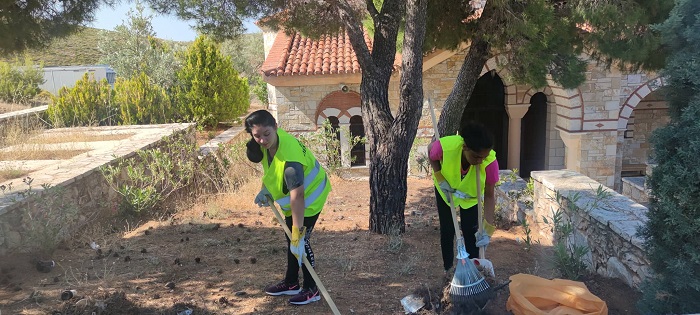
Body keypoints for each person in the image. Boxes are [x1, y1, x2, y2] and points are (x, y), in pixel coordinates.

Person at [244, 109, 331, 305]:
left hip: (310, 198)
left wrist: (298, 233)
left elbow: (297, 196)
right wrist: (264, 189)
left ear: (275, 127)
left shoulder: (290, 158)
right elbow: (271, 170)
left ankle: (311, 289)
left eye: (266, 134)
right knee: (290, 239)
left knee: (301, 243)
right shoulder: (268, 144)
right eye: (257, 136)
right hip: (297, 199)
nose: (263, 140)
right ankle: (292, 283)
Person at [427, 121, 498, 272]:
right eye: (476, 156)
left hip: (470, 196)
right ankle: (449, 270)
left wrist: (488, 228)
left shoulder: (490, 162)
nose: (480, 161)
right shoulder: (446, 146)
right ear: (465, 147)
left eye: (483, 158)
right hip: (446, 189)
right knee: (447, 229)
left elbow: (490, 195)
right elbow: (430, 152)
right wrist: (440, 177)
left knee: (471, 232)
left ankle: (472, 270)